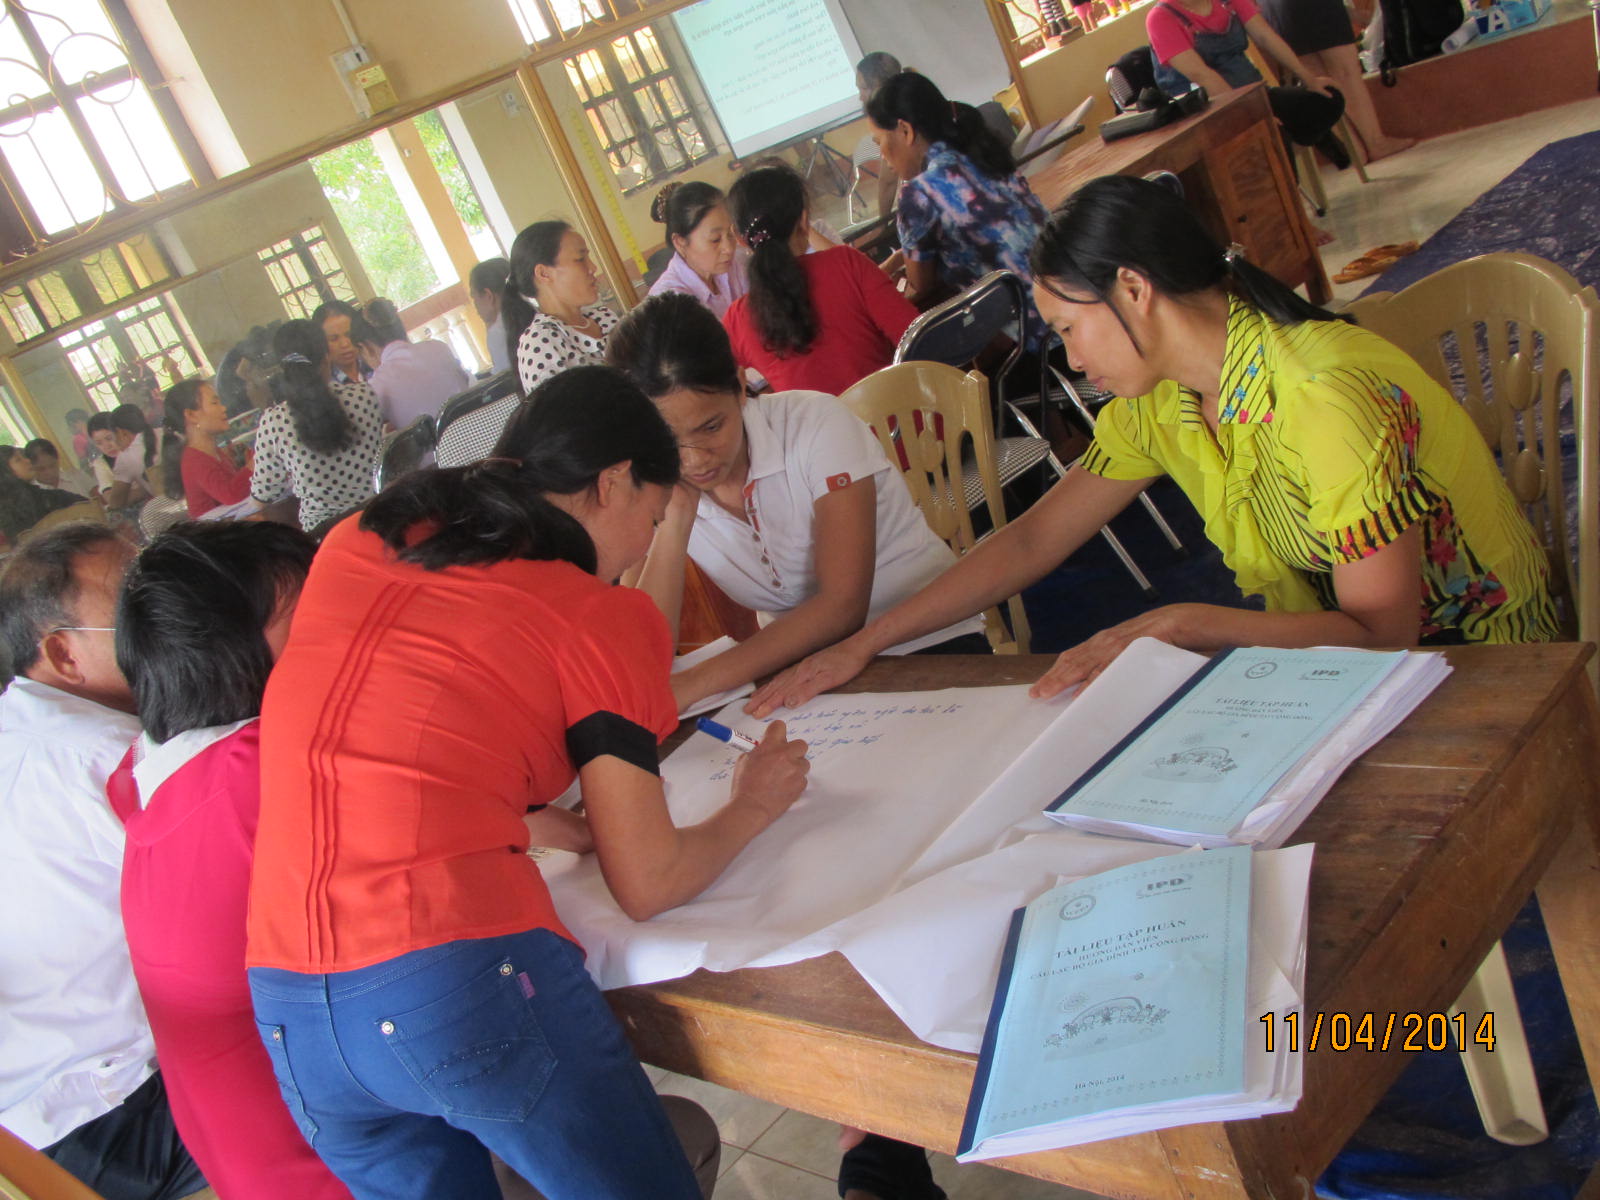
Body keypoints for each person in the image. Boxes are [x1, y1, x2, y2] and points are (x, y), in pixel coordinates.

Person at [245, 365, 807, 1200]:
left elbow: (382, 747)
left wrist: (540, 822)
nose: (642, 547)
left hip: (291, 1004)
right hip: (452, 981)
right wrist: (753, 804)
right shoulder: (595, 615)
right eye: (653, 519)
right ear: (613, 482)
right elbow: (650, 882)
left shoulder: (363, 538)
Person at [749, 175, 1559, 717]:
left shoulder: (1321, 399)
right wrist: (865, 643)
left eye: (1070, 329)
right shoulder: (1168, 395)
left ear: (1134, 289)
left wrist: (1182, 622)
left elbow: (1387, 638)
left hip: (1480, 663)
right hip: (1352, 652)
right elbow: (1032, 538)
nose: (1071, 361)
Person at [107, 522, 348, 1200]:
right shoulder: (258, 766)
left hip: (241, 1153)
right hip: (323, 1158)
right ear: (232, 651)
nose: (342, 629)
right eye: (313, 615)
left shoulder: (153, 772)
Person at [610, 292, 985, 710]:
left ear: (739, 387)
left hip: (926, 639)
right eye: (667, 441)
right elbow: (645, 649)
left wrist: (696, 683)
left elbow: (842, 607)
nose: (694, 460)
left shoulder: (814, 425)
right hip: (805, 670)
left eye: (711, 427)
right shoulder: (656, 482)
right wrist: (676, 520)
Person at [0, 524, 207, 1200]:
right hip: (119, 1113)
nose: (165, 610)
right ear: (63, 653)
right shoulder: (109, 757)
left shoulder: (24, 733)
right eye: (133, 603)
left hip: (32, 1129)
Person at [865, 71, 1048, 334]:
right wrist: (895, 260)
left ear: (905, 131)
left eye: (879, 141)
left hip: (1039, 333)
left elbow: (919, 285)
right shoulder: (980, 154)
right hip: (1073, 303)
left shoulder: (919, 194)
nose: (882, 155)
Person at [722, 163, 918, 396]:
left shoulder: (737, 320)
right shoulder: (846, 263)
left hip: (816, 423)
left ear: (739, 239)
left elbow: (716, 388)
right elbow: (916, 337)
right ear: (805, 220)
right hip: (898, 414)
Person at [250, 319, 384, 533]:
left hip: (327, 536)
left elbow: (263, 495)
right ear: (326, 355)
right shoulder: (364, 395)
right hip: (379, 518)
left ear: (283, 368)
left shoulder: (274, 421)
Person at [1257, 0, 1414, 160]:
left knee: (1320, 81)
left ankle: (1355, 151)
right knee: (1346, 74)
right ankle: (1376, 142)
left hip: (1274, 8)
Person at [502, 220, 619, 397]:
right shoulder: (540, 343)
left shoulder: (604, 318)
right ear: (544, 273)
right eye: (580, 259)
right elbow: (560, 414)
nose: (593, 267)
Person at [1145, 0, 1336, 108]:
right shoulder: (1160, 18)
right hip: (1209, 110)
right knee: (1271, 138)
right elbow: (1201, 75)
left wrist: (1308, 77)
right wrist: (1249, 114)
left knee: (1327, 100)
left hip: (1254, 91)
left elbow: (1265, 36)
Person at [364, 297, 471, 430]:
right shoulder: (439, 348)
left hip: (440, 443)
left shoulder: (379, 383)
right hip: (478, 432)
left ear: (366, 347)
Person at [647, 181, 748, 320]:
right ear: (680, 242)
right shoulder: (669, 304)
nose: (729, 248)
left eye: (731, 234)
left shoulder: (739, 263)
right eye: (715, 239)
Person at [159, 378, 254, 519]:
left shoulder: (212, 451)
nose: (223, 408)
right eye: (214, 403)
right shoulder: (194, 460)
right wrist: (255, 463)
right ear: (191, 415)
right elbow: (231, 495)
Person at [0, 446, 87, 541]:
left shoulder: (51, 497)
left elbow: (88, 506)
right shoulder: (7, 513)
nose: (27, 461)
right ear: (4, 471)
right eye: (18, 460)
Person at [854, 52, 903, 219]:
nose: (860, 97)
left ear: (880, 86)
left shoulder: (894, 122)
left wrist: (882, 226)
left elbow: (888, 181)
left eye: (863, 88)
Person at [105, 404, 159, 513]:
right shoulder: (168, 433)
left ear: (121, 432)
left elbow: (116, 502)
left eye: (112, 437)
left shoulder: (125, 457)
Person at [312, 299, 374, 385]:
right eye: (333, 339)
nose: (345, 344)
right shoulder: (325, 385)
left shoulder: (377, 366)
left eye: (349, 334)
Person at [469, 257, 512, 374]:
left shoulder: (498, 332)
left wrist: (490, 327)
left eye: (474, 297)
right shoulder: (536, 311)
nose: (475, 305)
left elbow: (505, 377)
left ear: (488, 296)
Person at [24, 437, 94, 498]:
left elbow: (98, 501)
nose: (49, 472)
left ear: (58, 460)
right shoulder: (32, 495)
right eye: (41, 469)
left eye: (52, 465)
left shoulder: (77, 476)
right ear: (31, 468)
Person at [87, 411, 120, 496]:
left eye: (109, 438)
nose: (106, 446)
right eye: (99, 443)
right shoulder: (101, 463)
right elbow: (110, 498)